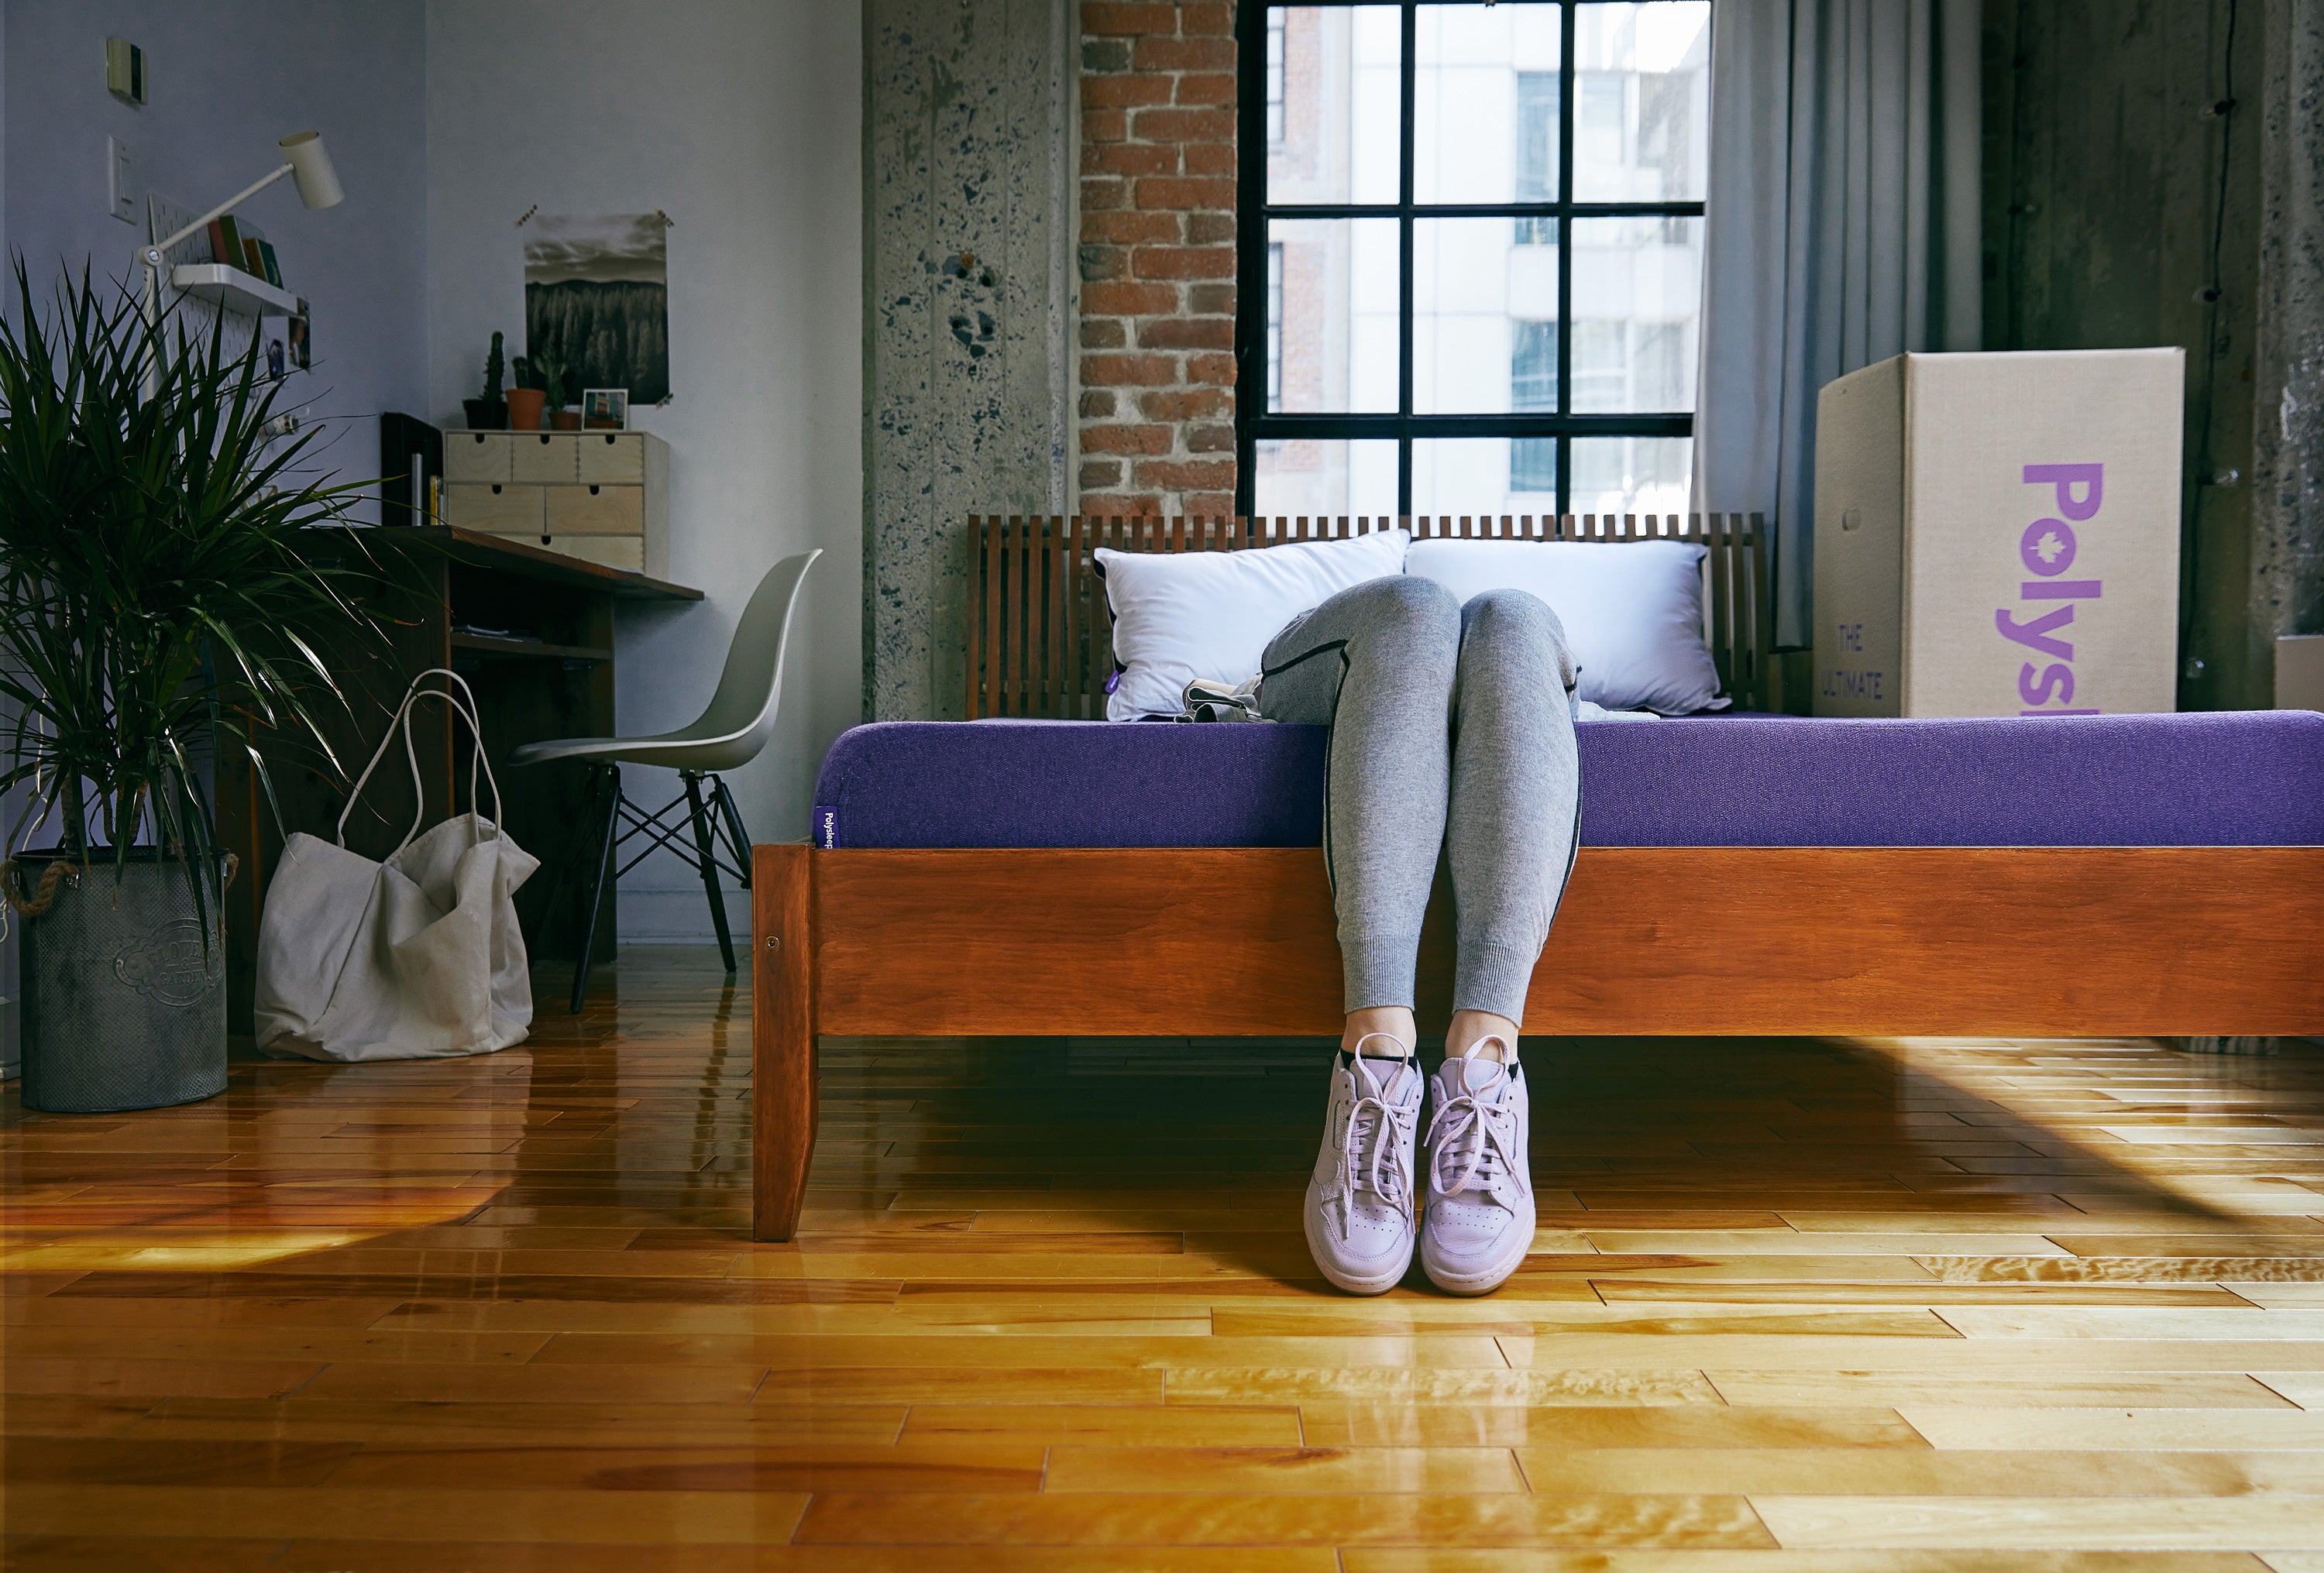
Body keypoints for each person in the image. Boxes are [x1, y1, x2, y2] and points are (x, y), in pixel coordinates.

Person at [1256, 575, 1580, 1296]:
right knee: (1418, 606)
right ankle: (1376, 1056)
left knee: (1515, 615)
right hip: (1352, 650)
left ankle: (1486, 1068)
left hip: (1508, 648)